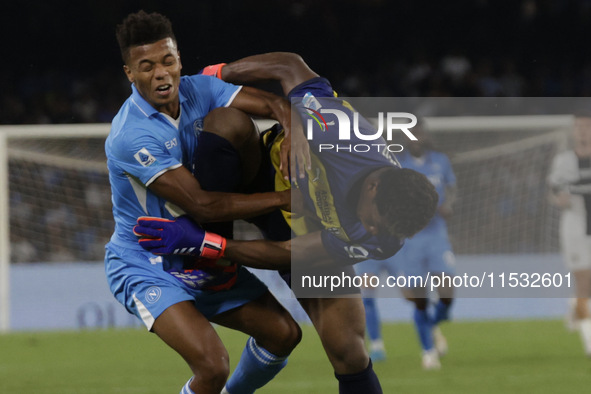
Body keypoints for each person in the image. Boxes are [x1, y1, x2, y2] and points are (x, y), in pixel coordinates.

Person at [135, 52, 439, 393]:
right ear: (373, 186)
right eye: (374, 222)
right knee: (226, 121)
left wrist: (215, 245)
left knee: (349, 351)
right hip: (261, 174)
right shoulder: (338, 131)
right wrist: (219, 73)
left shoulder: (384, 238)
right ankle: (214, 267)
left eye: (382, 233)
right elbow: (289, 65)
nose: (372, 233)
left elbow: (287, 252)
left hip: (304, 228)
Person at [105, 12, 305, 394]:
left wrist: (293, 129)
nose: (161, 74)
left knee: (283, 334)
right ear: (130, 73)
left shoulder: (200, 90)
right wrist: (285, 198)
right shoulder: (130, 135)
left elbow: (279, 105)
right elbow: (203, 206)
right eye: (146, 66)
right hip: (148, 262)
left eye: (167, 61)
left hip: (200, 251)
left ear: (179, 59)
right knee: (212, 366)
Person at [354, 125, 457, 370]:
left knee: (444, 292)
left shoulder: (440, 162)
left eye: (420, 134)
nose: (417, 139)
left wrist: (449, 205)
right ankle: (419, 351)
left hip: (435, 236)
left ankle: (433, 323)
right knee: (384, 294)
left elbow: (452, 189)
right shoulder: (394, 166)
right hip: (406, 239)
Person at [548, 115, 591, 357]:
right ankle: (589, 341)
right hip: (575, 225)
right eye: (579, 127)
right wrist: (558, 199)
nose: (583, 132)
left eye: (587, 127)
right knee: (584, 281)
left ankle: (576, 307)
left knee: (587, 287)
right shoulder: (564, 162)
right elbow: (554, 192)